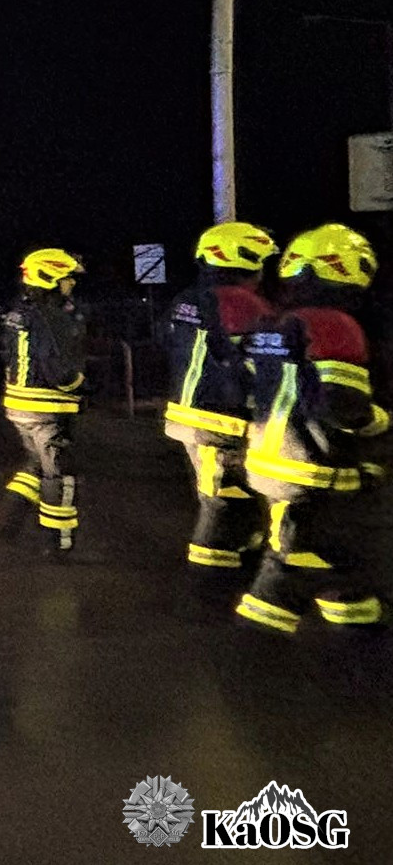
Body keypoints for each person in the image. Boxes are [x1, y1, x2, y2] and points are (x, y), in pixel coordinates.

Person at [236, 224, 388, 634]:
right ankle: (254, 642)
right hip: (312, 467)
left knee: (340, 548)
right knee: (294, 558)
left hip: (270, 459)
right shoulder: (337, 325)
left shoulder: (270, 324)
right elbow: (344, 406)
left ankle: (357, 618)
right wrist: (379, 421)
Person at [161, 222, 278, 571]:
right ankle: (208, 576)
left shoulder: (186, 299)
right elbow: (262, 363)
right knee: (223, 499)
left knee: (226, 495)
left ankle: (234, 554)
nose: (263, 272)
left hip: (188, 413)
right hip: (222, 418)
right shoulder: (241, 302)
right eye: (260, 262)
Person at [0, 248, 88, 553]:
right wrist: (81, 385)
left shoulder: (17, 313)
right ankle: (58, 542)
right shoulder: (52, 316)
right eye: (67, 278)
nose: (71, 284)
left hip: (19, 405)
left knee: (36, 464)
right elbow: (58, 368)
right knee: (59, 476)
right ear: (50, 279)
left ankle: (9, 520)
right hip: (47, 407)